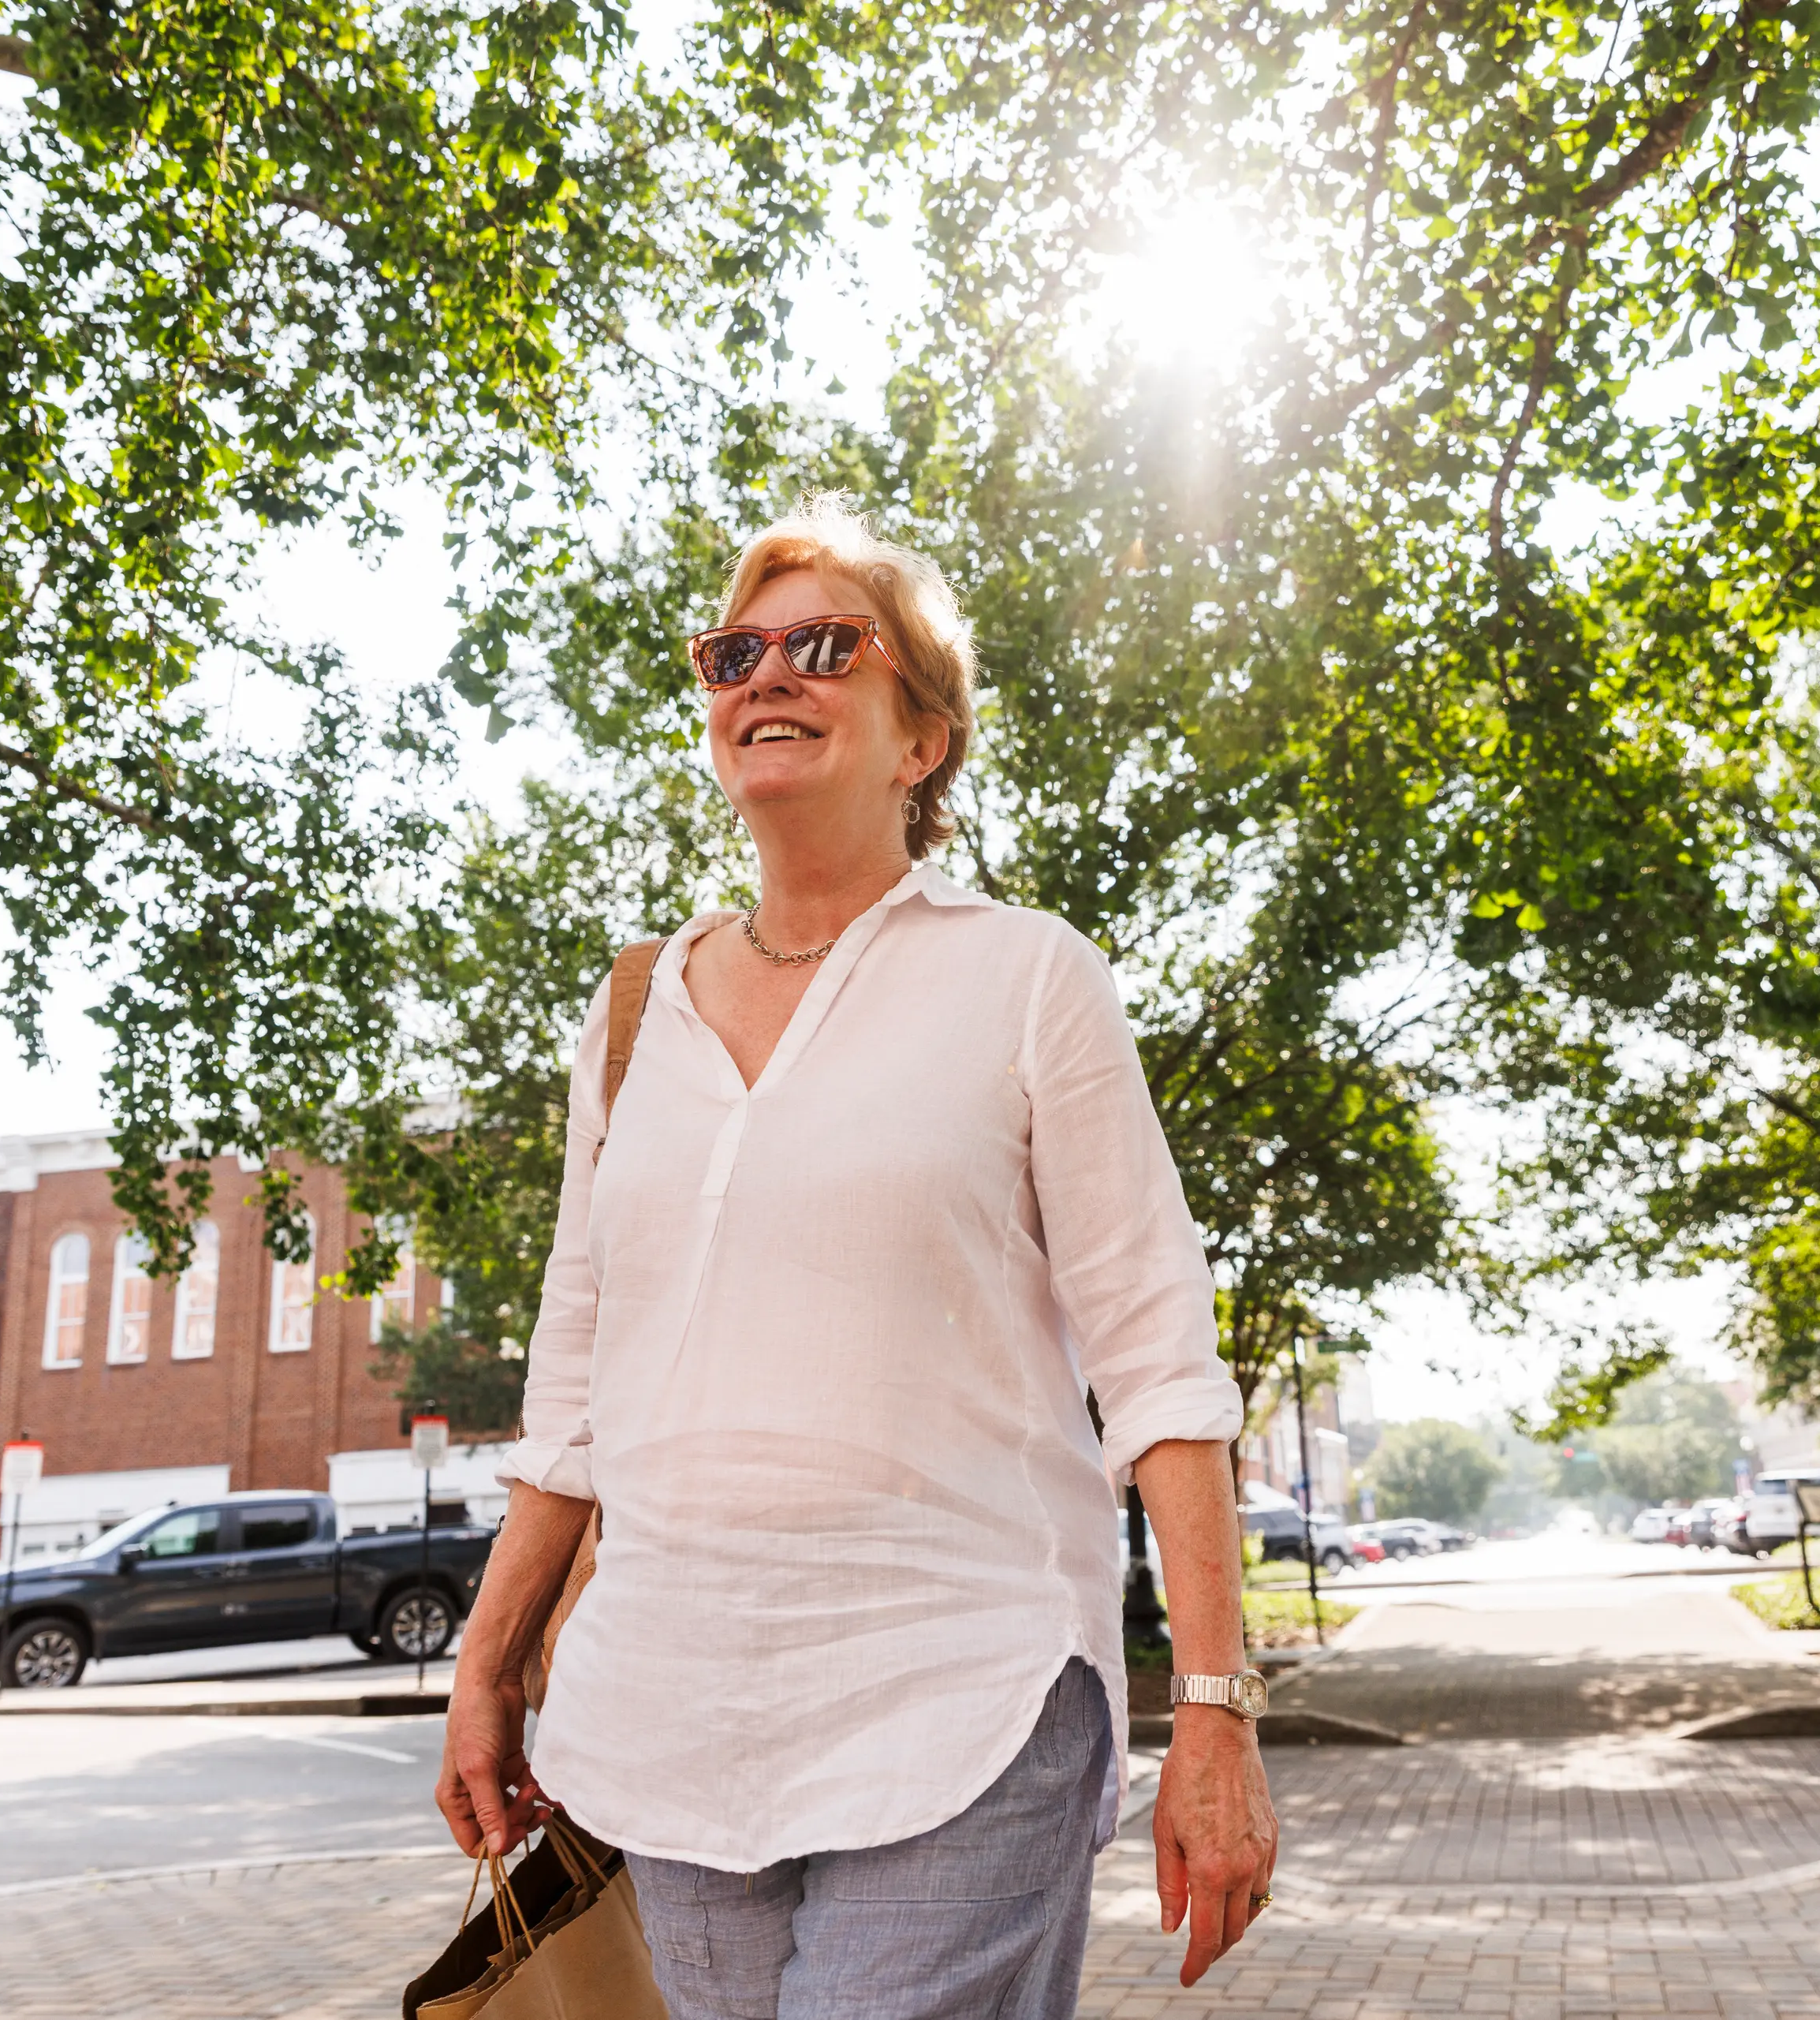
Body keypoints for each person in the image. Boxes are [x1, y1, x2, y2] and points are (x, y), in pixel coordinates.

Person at [434, 495, 1281, 2016]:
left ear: (923, 737)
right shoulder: (637, 1011)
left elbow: (1160, 1363)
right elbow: (576, 1381)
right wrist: (488, 1663)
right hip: (668, 1715)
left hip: (963, 1692)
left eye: (828, 645)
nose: (770, 673)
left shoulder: (1027, 977)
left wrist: (1215, 1710)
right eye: (734, 651)